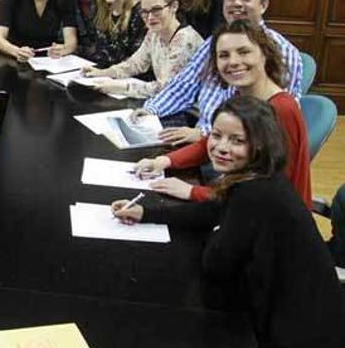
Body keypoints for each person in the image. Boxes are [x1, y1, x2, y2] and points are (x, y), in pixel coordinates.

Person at [113, 96, 344, 348]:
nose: (221, 147)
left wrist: (219, 231)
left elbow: (216, 263)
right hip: (295, 306)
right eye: (216, 135)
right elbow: (213, 210)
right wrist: (146, 214)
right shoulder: (258, 177)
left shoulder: (255, 194)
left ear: (261, 145)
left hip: (296, 331)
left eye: (238, 141)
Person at [135, 19, 311, 208]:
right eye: (224, 55)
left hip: (274, 221)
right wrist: (164, 161)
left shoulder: (282, 109)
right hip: (242, 204)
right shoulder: (239, 96)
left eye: (244, 52)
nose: (233, 62)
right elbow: (210, 142)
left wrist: (194, 192)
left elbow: (270, 191)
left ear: (265, 55)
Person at [135, 0, 303, 145]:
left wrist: (204, 135)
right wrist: (151, 109)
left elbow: (268, 120)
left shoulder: (282, 51)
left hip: (239, 149)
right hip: (203, 138)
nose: (237, 3)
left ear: (263, 5)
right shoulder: (215, 42)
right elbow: (185, 83)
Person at [82, 0, 203, 98]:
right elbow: (136, 64)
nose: (150, 17)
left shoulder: (185, 39)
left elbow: (166, 88)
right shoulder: (154, 33)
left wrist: (121, 87)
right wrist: (103, 73)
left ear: (174, 7)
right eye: (145, 12)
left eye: (156, 10)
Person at [80, 0, 146, 67]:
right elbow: (100, 53)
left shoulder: (140, 14)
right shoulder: (100, 12)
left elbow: (136, 59)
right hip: (105, 75)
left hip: (131, 78)